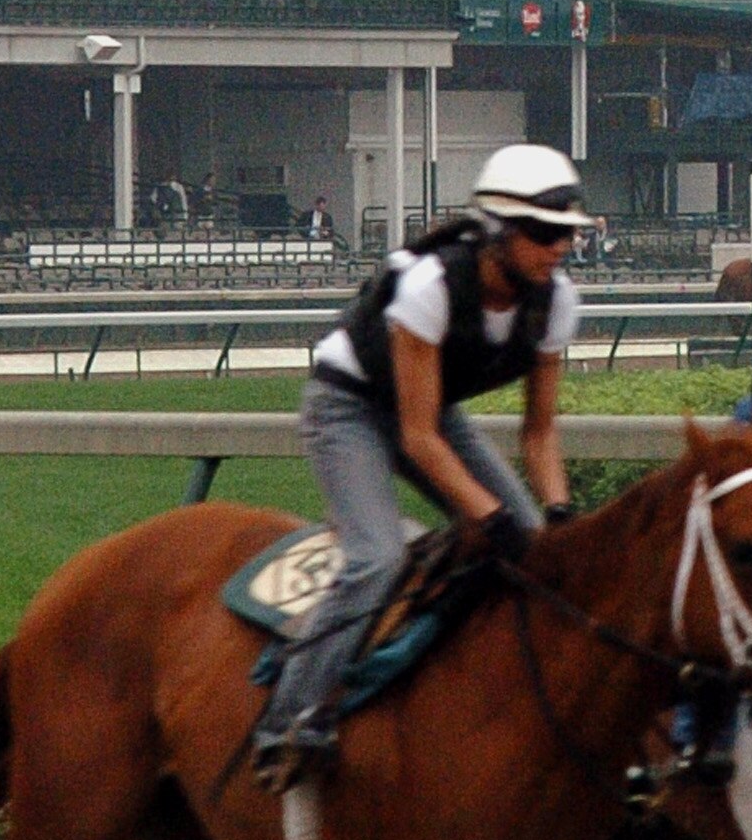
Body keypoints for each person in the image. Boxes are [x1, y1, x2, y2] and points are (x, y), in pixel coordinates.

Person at [250, 144, 590, 790]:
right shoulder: (431, 287)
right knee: (376, 557)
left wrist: (557, 515)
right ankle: (287, 717)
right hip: (348, 408)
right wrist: (491, 519)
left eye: (568, 235)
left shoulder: (557, 301)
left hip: (435, 415)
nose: (560, 249)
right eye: (546, 235)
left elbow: (539, 434)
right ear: (499, 232)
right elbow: (417, 438)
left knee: (533, 552)